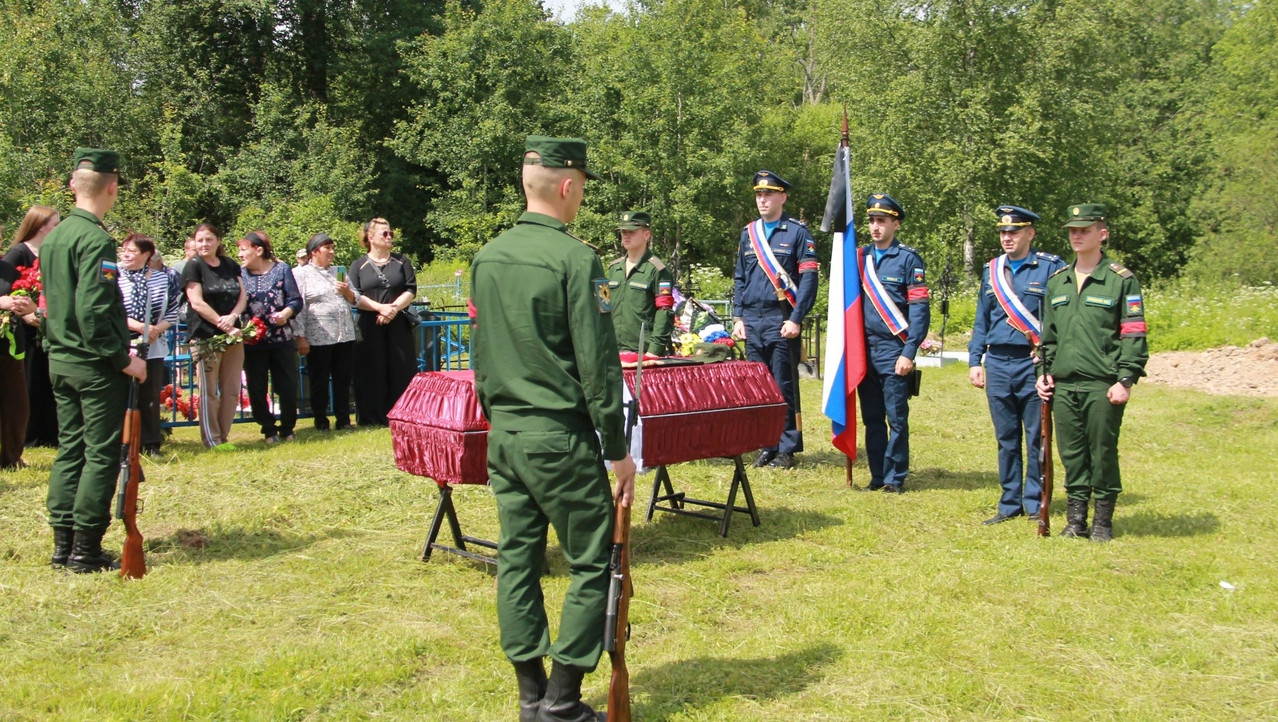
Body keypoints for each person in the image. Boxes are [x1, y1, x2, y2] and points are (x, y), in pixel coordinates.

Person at [470, 135, 636, 722]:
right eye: (582, 189)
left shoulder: (487, 257)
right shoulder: (576, 259)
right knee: (592, 561)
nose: (581, 199)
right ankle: (562, 701)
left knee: (518, 559)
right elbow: (598, 366)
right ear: (568, 186)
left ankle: (529, 696)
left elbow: (480, 355)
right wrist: (617, 452)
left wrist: (500, 420)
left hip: (506, 435)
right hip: (557, 436)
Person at [39, 148, 148, 572]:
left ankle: (62, 545)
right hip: (94, 365)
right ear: (112, 187)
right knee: (101, 454)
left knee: (71, 450)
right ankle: (84, 549)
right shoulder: (95, 239)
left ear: (72, 186)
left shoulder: (56, 236)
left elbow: (52, 305)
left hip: (62, 359)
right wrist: (122, 359)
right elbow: (94, 311)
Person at [1035, 203, 1149, 541]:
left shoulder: (1120, 280)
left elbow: (1134, 332)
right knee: (1071, 453)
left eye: (1084, 230)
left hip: (1103, 382)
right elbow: (1049, 336)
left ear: (1103, 234)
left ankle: (1103, 521)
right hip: (1065, 384)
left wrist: (1125, 379)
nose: (1076, 235)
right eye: (1072, 230)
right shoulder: (1058, 282)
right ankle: (1076, 520)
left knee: (1102, 451)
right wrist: (1045, 372)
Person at [968, 206, 1065, 524]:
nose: (1007, 238)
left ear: (1030, 234)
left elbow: (1059, 320)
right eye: (1003, 232)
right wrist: (975, 360)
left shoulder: (1051, 268)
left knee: (1037, 435)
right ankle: (1009, 503)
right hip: (997, 362)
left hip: (1032, 363)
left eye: (1014, 232)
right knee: (1006, 437)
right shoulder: (992, 269)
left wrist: (1050, 361)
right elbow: (982, 318)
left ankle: (1036, 501)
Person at [731, 170, 819, 470]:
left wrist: (796, 318)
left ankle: (786, 448)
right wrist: (738, 315)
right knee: (759, 386)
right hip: (752, 320)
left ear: (782, 197)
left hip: (780, 319)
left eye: (768, 194)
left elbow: (808, 280)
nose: (762, 199)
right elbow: (740, 277)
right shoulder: (749, 233)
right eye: (758, 194)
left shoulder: (797, 233)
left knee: (783, 384)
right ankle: (766, 444)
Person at [856, 193, 930, 493]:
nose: (875, 227)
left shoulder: (908, 259)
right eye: (872, 221)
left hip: (893, 349)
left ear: (895, 224)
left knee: (896, 417)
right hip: (864, 350)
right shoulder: (859, 258)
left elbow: (920, 310)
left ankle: (895, 478)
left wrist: (909, 351)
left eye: (882, 221)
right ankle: (877, 475)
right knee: (872, 417)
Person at [348, 218, 418, 426]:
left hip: (397, 322)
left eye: (391, 234)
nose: (389, 238)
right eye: (384, 234)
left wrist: (393, 309)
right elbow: (354, 295)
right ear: (370, 237)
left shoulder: (401, 261)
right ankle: (371, 416)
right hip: (369, 323)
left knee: (401, 368)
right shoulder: (358, 265)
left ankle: (402, 414)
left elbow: (410, 289)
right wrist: (380, 308)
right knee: (370, 368)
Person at [183, 223, 247, 450]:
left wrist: (234, 316)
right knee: (209, 392)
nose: (204, 244)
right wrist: (224, 324)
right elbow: (196, 302)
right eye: (200, 240)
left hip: (234, 335)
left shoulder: (230, 264)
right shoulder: (193, 266)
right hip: (206, 337)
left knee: (231, 390)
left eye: (209, 239)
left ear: (218, 241)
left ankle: (224, 437)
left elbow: (243, 295)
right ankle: (212, 439)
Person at [118, 234, 180, 456]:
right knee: (121, 393)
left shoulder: (162, 279)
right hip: (121, 342)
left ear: (147, 255)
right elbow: (109, 309)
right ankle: (122, 442)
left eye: (132, 251)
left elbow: (172, 311)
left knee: (150, 395)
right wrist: (139, 327)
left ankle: (151, 443)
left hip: (152, 343)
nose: (125, 254)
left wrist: (155, 329)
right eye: (123, 249)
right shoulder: (113, 275)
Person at [237, 231, 303, 443]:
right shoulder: (239, 274)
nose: (239, 254)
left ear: (259, 250)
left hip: (281, 339)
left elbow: (295, 300)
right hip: (253, 342)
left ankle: (287, 428)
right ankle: (268, 429)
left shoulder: (282, 269)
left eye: (243, 249)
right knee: (256, 388)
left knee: (287, 385)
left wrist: (286, 313)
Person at [4, 205, 60, 447]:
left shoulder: (52, 252)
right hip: (25, 328)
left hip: (46, 322)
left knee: (49, 381)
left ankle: (50, 433)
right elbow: (7, 289)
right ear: (40, 226)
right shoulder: (18, 253)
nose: (58, 229)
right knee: (30, 381)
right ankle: (31, 435)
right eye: (54, 225)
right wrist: (25, 313)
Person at [294, 233, 357, 432]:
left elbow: (354, 299)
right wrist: (300, 335)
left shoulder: (339, 271)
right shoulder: (301, 274)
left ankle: (343, 419)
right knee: (319, 380)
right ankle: (321, 420)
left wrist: (347, 292)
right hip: (318, 335)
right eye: (327, 248)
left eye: (333, 248)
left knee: (343, 379)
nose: (332, 252)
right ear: (314, 252)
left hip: (344, 334)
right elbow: (299, 306)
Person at [605, 211, 675, 356]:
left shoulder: (658, 270)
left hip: (642, 352)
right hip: (612, 350)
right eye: (623, 232)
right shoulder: (614, 268)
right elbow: (604, 306)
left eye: (631, 232)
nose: (626, 236)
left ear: (646, 235)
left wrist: (654, 351)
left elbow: (664, 312)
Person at [1, 237, 37, 469]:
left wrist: (27, 309)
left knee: (17, 406)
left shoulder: (6, 267)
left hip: (9, 346)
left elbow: (19, 294)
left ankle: (11, 458)